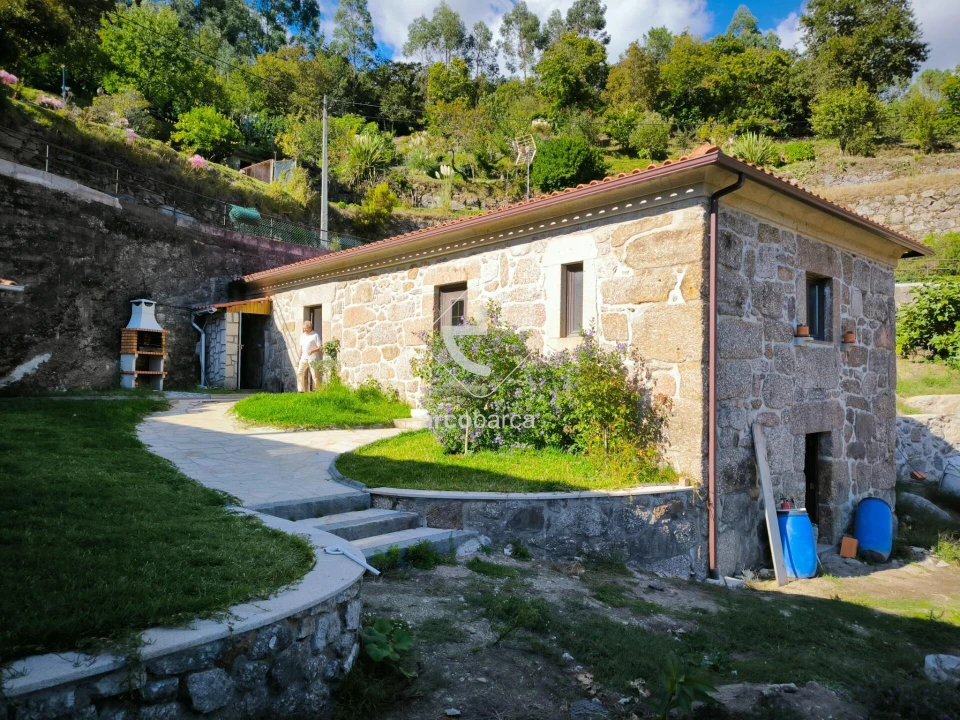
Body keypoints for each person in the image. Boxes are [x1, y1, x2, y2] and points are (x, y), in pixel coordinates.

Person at [297, 321, 322, 392]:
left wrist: (312, 351)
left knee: (314, 375)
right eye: (303, 328)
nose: (304, 330)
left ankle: (316, 391)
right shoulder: (302, 336)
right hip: (303, 358)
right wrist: (299, 358)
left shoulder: (315, 335)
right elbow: (301, 348)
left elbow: (320, 346)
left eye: (306, 328)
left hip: (313, 358)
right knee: (299, 373)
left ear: (310, 327)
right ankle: (301, 390)